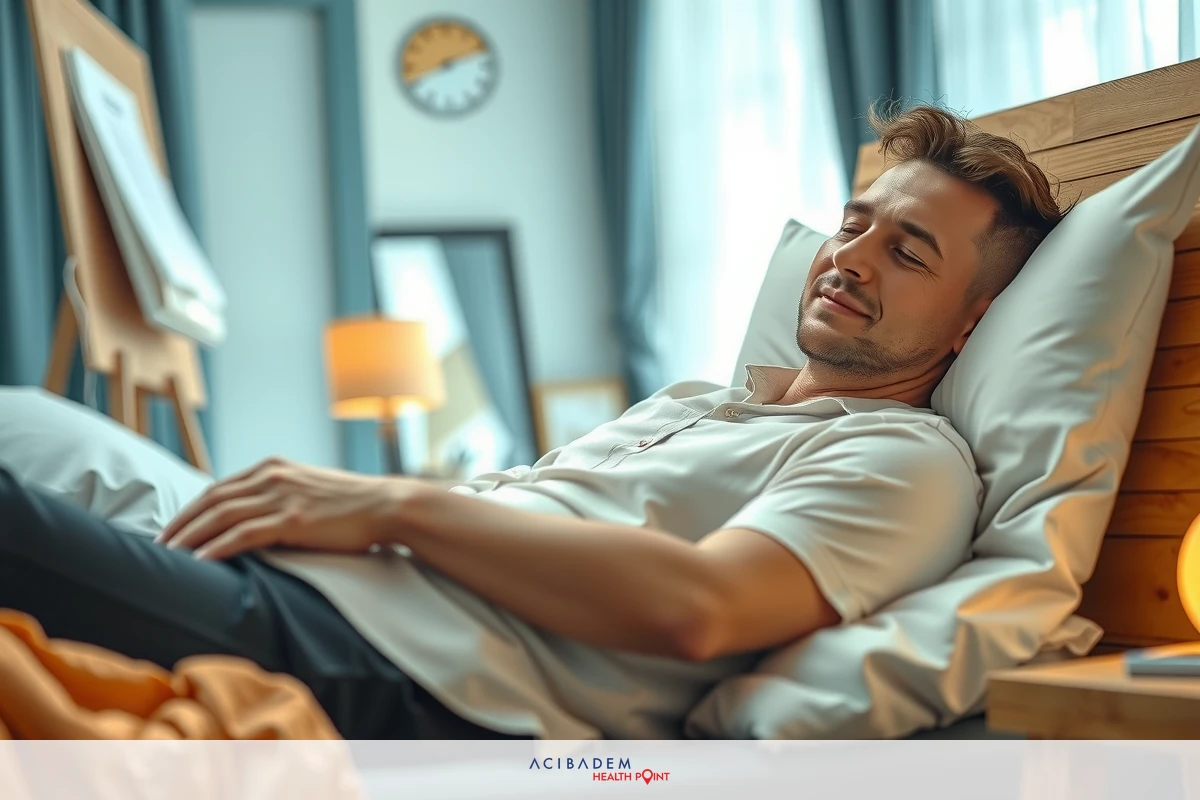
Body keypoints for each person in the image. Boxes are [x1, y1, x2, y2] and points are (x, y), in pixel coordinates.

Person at [0, 104, 1067, 740]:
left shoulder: (903, 457)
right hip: (320, 586)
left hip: (400, 664)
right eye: (854, 226)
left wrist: (388, 502)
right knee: (26, 424)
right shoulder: (702, 399)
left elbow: (702, 608)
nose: (851, 259)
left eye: (909, 251)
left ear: (974, 321)